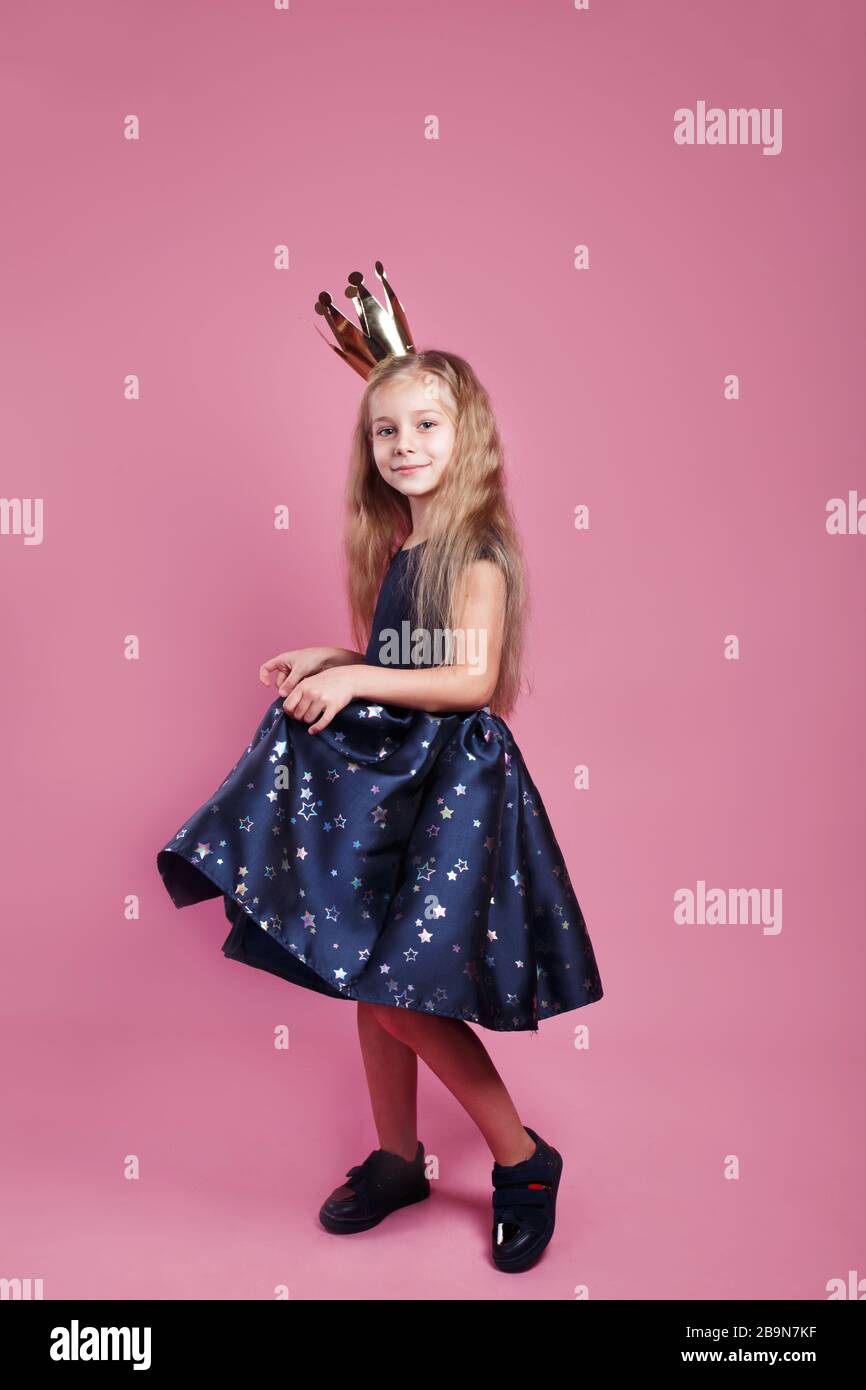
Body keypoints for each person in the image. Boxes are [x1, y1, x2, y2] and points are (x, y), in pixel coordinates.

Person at [156, 346, 604, 1274]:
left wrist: (361, 674)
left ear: (468, 435)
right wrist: (335, 657)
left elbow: (472, 680)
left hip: (452, 791)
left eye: (426, 425)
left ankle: (523, 1159)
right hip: (397, 781)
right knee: (371, 974)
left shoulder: (477, 551)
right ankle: (402, 1158)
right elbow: (406, 661)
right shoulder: (407, 547)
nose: (404, 444)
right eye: (386, 429)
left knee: (400, 992)